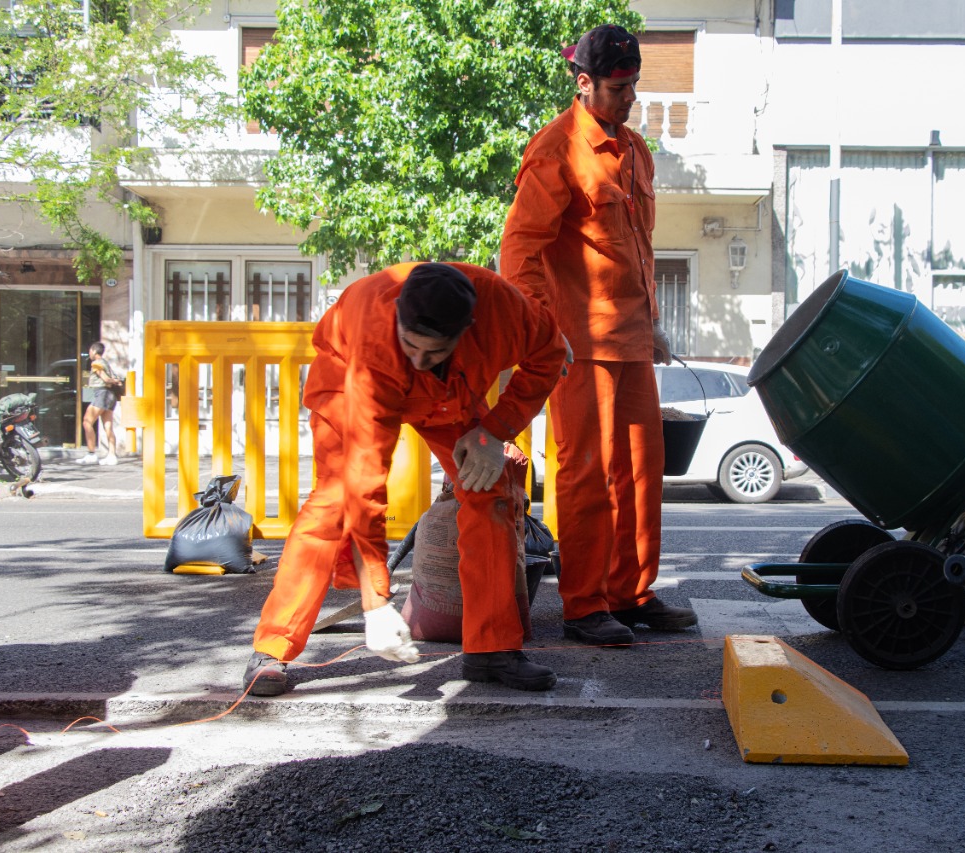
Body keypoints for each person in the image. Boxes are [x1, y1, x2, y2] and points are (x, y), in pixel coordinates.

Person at [245, 262, 567, 695]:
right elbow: (366, 481)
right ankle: (272, 648)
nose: (418, 361)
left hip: (450, 394)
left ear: (467, 330)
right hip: (348, 379)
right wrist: (375, 603)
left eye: (431, 353)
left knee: (489, 493)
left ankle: (492, 650)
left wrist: (494, 431)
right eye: (411, 346)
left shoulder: (507, 313)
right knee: (335, 502)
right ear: (399, 317)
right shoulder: (376, 346)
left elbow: (549, 355)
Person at [499, 24, 698, 647]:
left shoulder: (636, 150)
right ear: (583, 83)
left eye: (635, 84)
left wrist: (654, 326)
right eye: (618, 87)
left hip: (633, 338)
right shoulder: (557, 150)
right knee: (586, 472)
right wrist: (545, 334)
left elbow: (638, 249)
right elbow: (519, 251)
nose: (629, 96)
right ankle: (585, 605)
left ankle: (630, 593)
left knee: (641, 471)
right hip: (578, 346)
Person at [79, 341, 123, 466]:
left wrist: (110, 380)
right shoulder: (106, 363)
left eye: (90, 351)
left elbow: (104, 378)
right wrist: (115, 381)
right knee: (108, 426)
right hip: (110, 396)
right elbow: (112, 378)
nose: (89, 353)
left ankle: (91, 453)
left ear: (93, 351)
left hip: (101, 394)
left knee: (87, 422)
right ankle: (112, 455)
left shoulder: (96, 363)